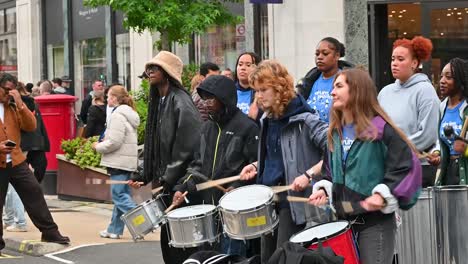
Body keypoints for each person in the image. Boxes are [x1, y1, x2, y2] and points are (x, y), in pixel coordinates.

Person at [309, 69, 422, 264]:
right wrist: (325, 190)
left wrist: (384, 194)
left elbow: (408, 167)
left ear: (356, 91)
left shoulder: (380, 129)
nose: (332, 93)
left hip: (375, 223)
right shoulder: (335, 132)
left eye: (339, 86)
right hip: (343, 223)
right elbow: (330, 171)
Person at [239, 60, 328, 263]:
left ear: (279, 88)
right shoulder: (267, 120)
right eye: (256, 91)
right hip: (268, 200)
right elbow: (277, 159)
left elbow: (336, 152)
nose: (258, 96)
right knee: (267, 258)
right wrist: (255, 166)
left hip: (294, 204)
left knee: (283, 259)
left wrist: (308, 175)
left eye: (263, 90)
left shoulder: (305, 120)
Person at [173, 75, 259, 256]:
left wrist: (237, 187)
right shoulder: (206, 128)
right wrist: (182, 187)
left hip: (234, 212)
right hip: (208, 209)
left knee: (233, 257)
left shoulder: (248, 128)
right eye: (204, 99)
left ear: (224, 98)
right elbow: (197, 165)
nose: (206, 103)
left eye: (211, 98)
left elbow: (257, 168)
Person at [129, 51, 202, 264]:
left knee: (181, 246)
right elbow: (156, 147)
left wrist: (167, 179)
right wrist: (145, 174)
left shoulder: (181, 102)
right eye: (149, 68)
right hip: (169, 184)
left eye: (156, 68)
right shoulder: (160, 101)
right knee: (169, 242)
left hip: (182, 185)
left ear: (168, 73)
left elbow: (186, 148)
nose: (149, 72)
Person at [0, 73, 70, 255]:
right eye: (6, 90)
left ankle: (50, 232)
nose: (9, 94)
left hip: (15, 160)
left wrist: (20, 104)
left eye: (12, 90)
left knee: (34, 191)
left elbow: (31, 126)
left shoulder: (14, 106)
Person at [378, 36, 439, 187]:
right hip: (388, 167)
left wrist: (395, 150)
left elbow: (428, 134)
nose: (394, 63)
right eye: (393, 59)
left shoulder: (425, 90)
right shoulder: (385, 92)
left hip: (417, 167)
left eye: (400, 59)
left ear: (414, 63)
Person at [92, 85, 139, 239]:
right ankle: (114, 230)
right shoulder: (128, 113)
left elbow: (114, 142)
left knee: (119, 196)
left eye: (109, 96)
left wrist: (98, 146)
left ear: (114, 98)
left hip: (118, 161)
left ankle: (144, 221)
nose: (106, 99)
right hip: (125, 161)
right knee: (122, 195)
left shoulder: (118, 115)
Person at [429, 58, 468, 185]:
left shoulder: (466, 109)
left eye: (448, 77)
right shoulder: (442, 107)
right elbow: (441, 140)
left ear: (460, 81)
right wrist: (436, 152)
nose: (442, 81)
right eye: (441, 77)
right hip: (448, 172)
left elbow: (463, 148)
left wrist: (466, 150)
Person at [297, 37, 353, 123]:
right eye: (317, 54)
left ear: (337, 56)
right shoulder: (310, 80)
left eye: (325, 53)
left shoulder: (347, 79)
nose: (319, 57)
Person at [233, 52, 262, 120]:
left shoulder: (261, 93)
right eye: (240, 64)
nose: (243, 68)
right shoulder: (229, 91)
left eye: (248, 65)